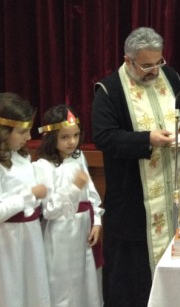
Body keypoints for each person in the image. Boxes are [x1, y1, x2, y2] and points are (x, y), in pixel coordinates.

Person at [92, 27, 180, 307]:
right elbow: (104, 136)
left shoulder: (170, 76)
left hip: (174, 188)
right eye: (147, 65)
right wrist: (147, 139)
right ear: (128, 60)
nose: (154, 71)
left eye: (158, 62)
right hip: (134, 199)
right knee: (135, 276)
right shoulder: (110, 90)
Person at [34, 105, 104, 307]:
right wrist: (74, 188)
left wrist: (97, 221)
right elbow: (49, 210)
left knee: (86, 281)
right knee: (64, 286)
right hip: (60, 234)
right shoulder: (43, 166)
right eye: (64, 137)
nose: (72, 141)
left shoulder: (78, 156)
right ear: (51, 137)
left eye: (76, 135)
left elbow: (91, 193)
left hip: (84, 229)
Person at [0, 92, 51, 307]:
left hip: (31, 236)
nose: (29, 137)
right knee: (12, 292)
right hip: (8, 241)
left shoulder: (22, 156)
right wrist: (29, 195)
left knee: (35, 290)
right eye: (22, 132)